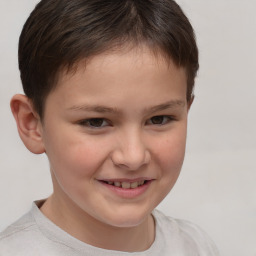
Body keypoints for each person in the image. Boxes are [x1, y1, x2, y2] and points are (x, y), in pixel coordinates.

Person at [0, 0, 219, 255]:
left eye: (159, 119)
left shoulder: (196, 247)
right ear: (32, 124)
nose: (133, 157)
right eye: (96, 122)